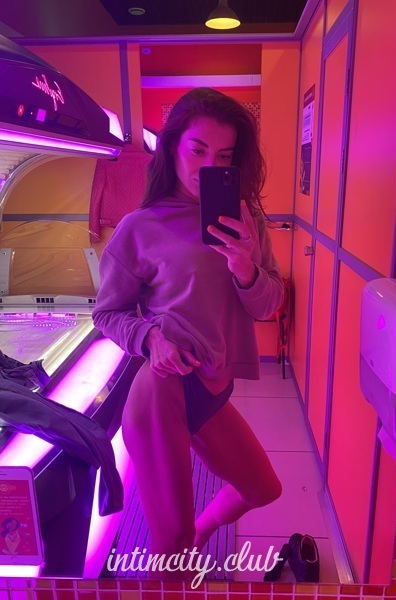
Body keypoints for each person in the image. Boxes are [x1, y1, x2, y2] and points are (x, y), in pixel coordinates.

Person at [92, 87, 284, 578]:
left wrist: (245, 266)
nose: (207, 166)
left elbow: (269, 304)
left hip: (214, 389)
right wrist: (151, 338)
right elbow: (107, 313)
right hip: (163, 387)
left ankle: (198, 536)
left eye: (223, 156)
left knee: (263, 489)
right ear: (173, 147)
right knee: (170, 542)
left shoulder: (247, 221)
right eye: (197, 150)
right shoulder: (139, 227)